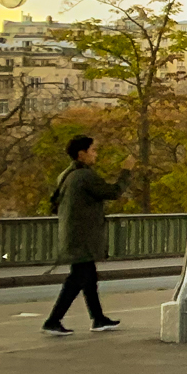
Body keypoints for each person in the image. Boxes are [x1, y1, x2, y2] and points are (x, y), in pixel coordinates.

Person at [43, 135, 131, 336]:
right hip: (82, 237)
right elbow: (112, 192)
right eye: (93, 150)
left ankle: (98, 318)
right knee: (77, 279)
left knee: (88, 278)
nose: (95, 154)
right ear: (81, 154)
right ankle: (53, 320)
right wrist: (126, 171)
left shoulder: (66, 174)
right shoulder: (84, 176)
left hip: (73, 234)